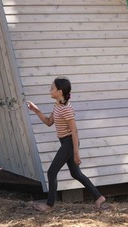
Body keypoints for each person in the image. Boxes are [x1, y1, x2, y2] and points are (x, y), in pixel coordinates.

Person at [26, 77, 108, 212]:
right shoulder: (57, 106)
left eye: (52, 88)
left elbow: (74, 131)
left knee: (52, 172)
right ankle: (99, 197)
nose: (50, 90)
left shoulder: (66, 109)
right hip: (65, 142)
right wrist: (36, 111)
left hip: (69, 143)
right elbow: (49, 122)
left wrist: (76, 152)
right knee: (76, 173)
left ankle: (49, 205)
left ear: (60, 91)